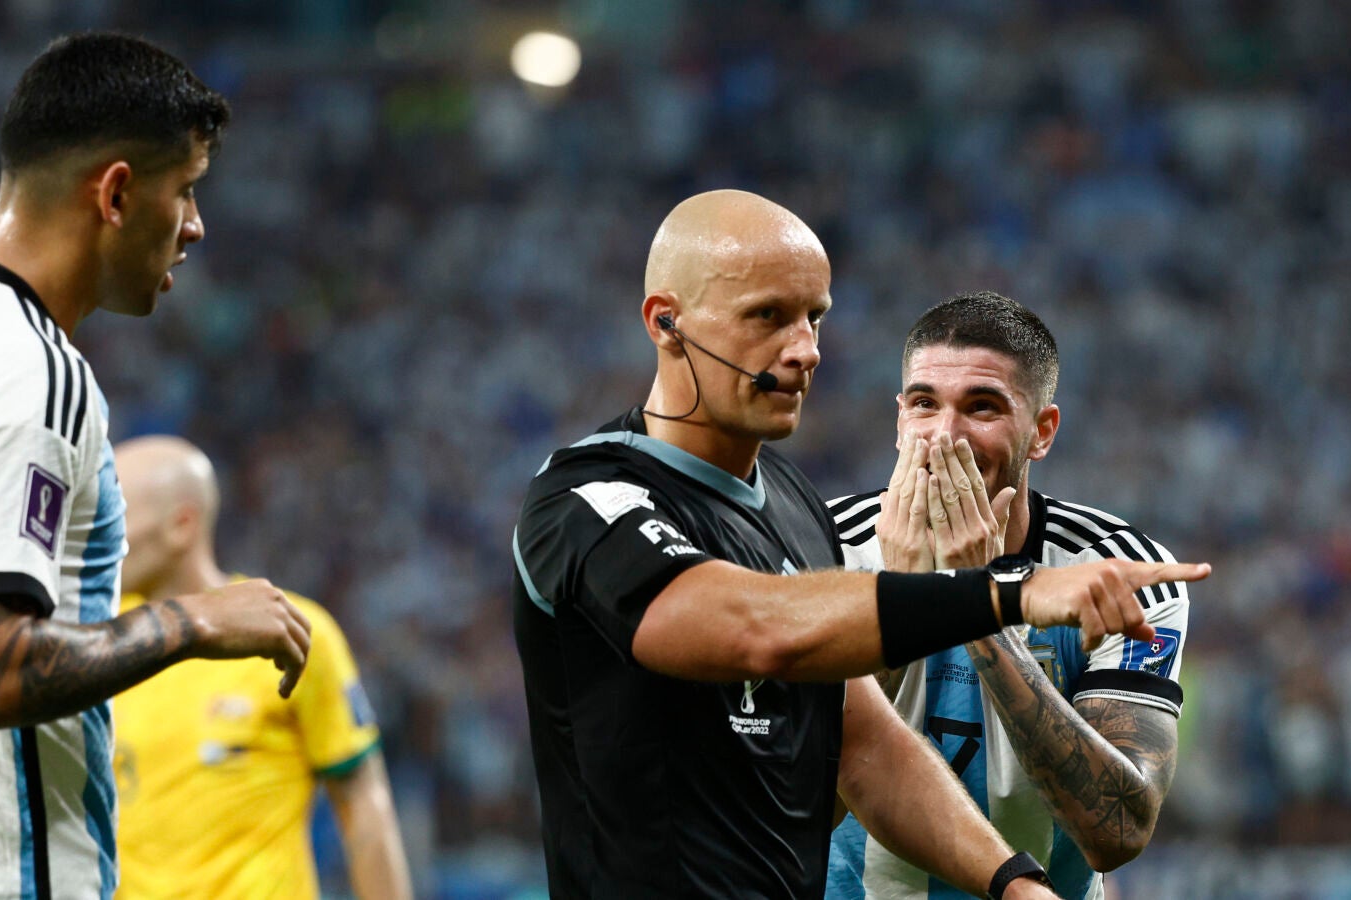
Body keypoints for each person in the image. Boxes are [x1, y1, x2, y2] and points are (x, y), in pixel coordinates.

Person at [511, 189, 1210, 899]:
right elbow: (758, 636)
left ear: (1043, 431)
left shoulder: (794, 511)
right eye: (768, 316)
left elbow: (864, 746)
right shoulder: (590, 496)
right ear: (666, 323)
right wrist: (996, 596)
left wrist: (1013, 886)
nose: (806, 351)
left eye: (814, 318)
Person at [0, 34, 312, 897]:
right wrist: (193, 622)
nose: (196, 225)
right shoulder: (29, 367)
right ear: (115, 193)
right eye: (184, 190)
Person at [825, 292, 1191, 900]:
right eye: (924, 404)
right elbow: (783, 805)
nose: (946, 436)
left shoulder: (1117, 571)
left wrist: (977, 604)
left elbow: (1117, 831)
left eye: (982, 407)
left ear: (1041, 432)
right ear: (900, 420)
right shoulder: (819, 547)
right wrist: (905, 602)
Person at [110, 435, 412, 900]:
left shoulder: (289, 630)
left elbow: (364, 803)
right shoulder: (98, 645)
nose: (97, 538)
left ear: (181, 526)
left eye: (115, 518)